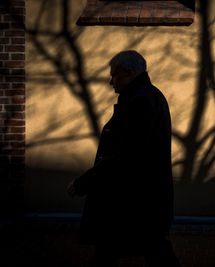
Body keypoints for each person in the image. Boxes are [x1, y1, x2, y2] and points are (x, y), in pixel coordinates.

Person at [67, 50, 181, 267]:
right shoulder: (150, 96)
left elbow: (124, 155)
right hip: (141, 200)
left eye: (114, 75)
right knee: (139, 251)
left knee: (152, 252)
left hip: (135, 201)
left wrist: (83, 183)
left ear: (129, 72)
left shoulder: (139, 102)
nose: (111, 81)